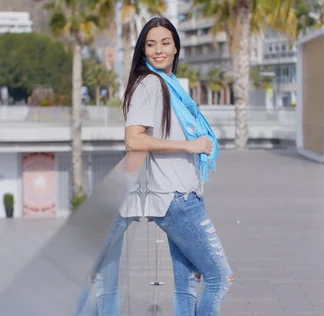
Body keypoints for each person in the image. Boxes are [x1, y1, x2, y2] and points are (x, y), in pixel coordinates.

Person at [121, 16, 234, 315]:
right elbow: (133, 140)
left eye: (165, 43)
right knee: (219, 277)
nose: (158, 50)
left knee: (186, 283)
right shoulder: (150, 84)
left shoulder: (169, 85)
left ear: (175, 48)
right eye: (150, 44)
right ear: (143, 50)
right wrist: (189, 145)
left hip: (179, 196)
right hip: (177, 199)